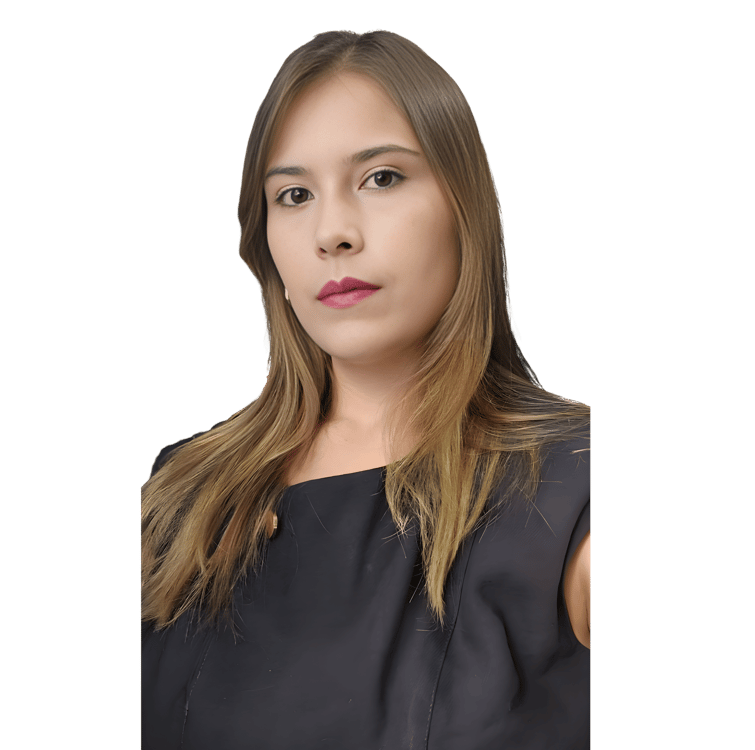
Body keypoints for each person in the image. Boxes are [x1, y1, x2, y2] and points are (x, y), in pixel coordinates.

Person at [140, 28, 591, 749]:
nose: (332, 232)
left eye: (381, 177)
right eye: (293, 195)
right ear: (269, 250)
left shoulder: (575, 485)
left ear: (464, 207)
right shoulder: (179, 493)